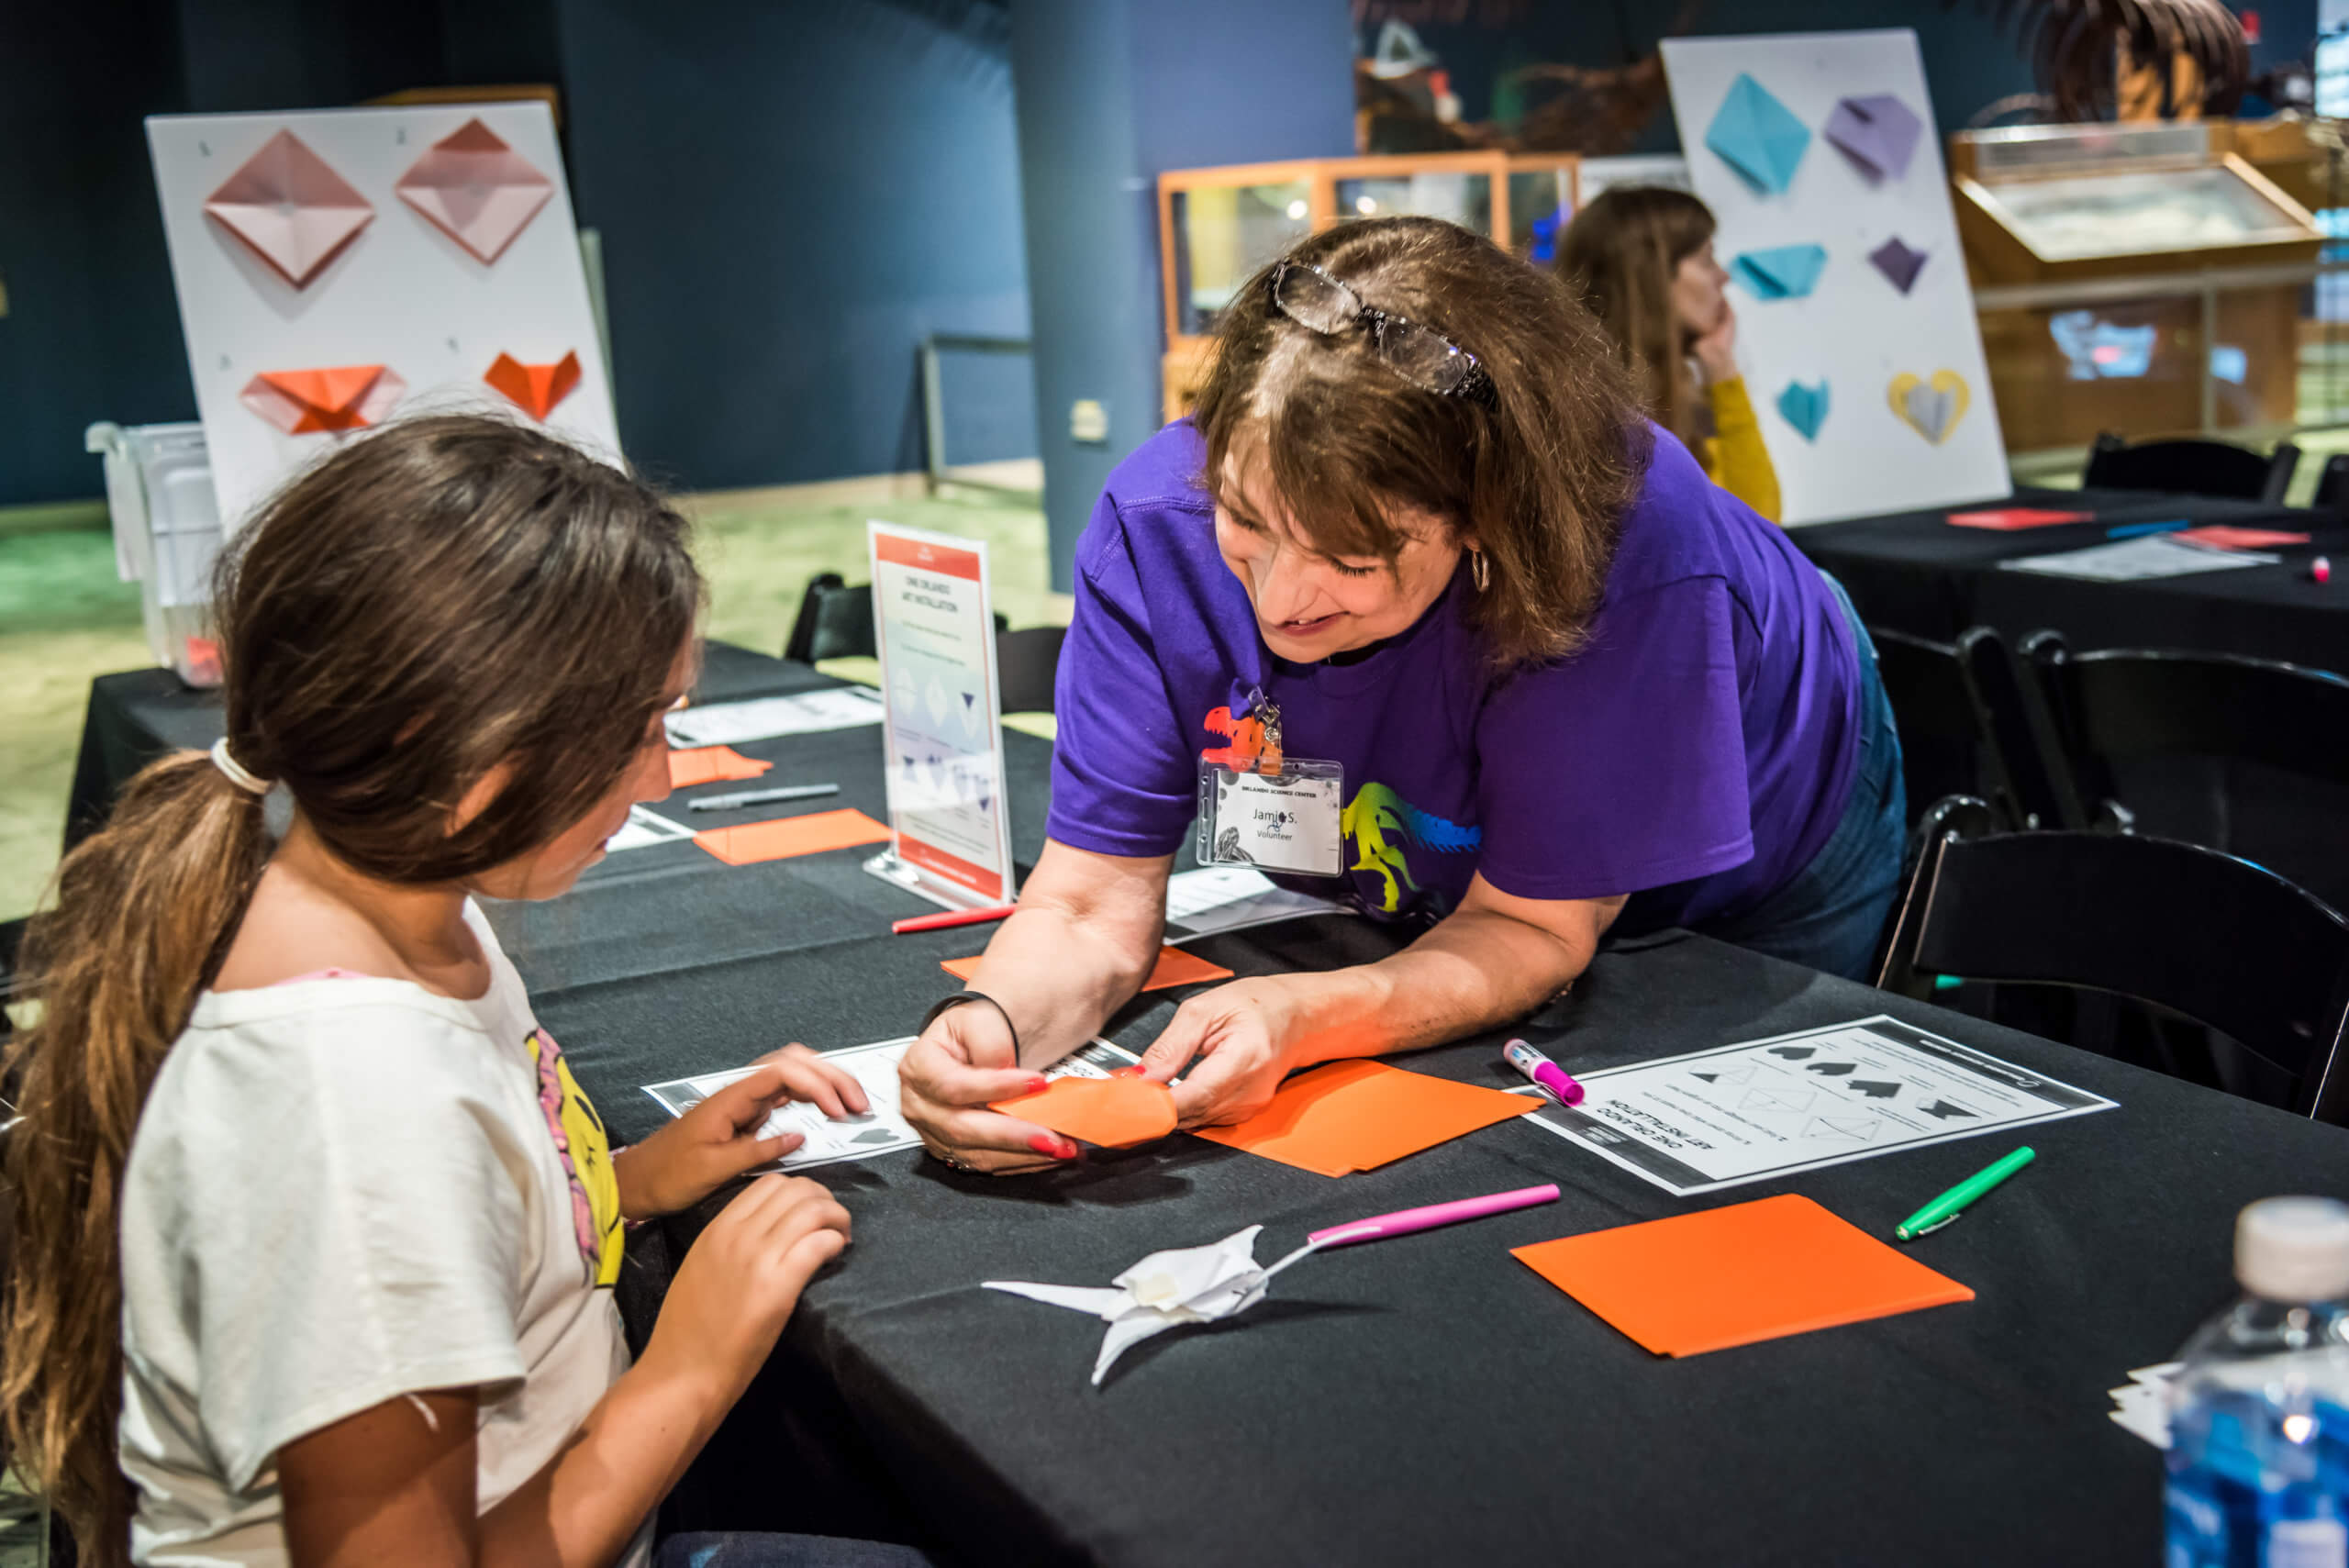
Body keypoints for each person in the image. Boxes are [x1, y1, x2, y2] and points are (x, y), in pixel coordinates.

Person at [1, 418, 927, 1568]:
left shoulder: (403, 899)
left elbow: (472, 1231)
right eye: (639, 730)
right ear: (462, 754)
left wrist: (628, 1180)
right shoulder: (351, 1107)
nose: (664, 776)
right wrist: (688, 1367)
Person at [899, 216, 1901, 1176]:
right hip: (1468, 885)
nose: (1281, 599)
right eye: (1248, 521)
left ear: (1480, 513)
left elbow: (1531, 927)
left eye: (1348, 555)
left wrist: (1311, 1012)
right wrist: (989, 1023)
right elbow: (1086, 904)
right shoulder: (1153, 521)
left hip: (1776, 826)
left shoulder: (1624, 551)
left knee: (1733, 1151)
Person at [1556, 184, 1782, 523]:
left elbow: (1760, 524)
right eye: (1706, 260)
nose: (1723, 277)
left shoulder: (1680, 393)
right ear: (1654, 277)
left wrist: (1721, 366)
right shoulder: (1593, 415)